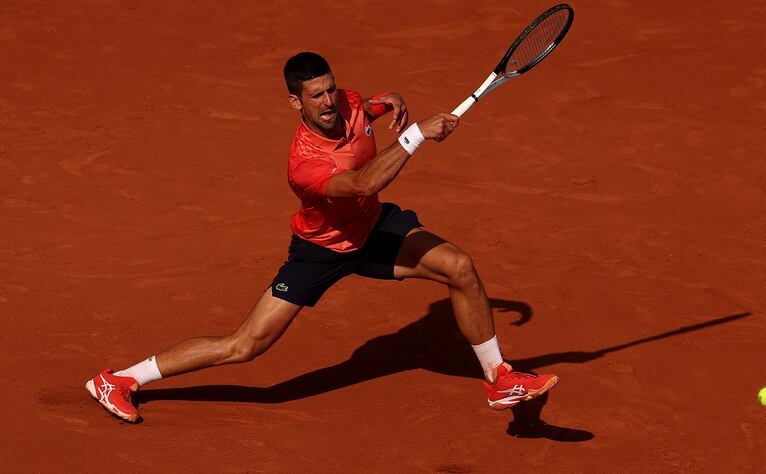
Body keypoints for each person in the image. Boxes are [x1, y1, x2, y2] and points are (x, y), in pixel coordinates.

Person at [85, 52, 558, 423]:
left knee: (458, 264)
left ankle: (499, 378)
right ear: (296, 102)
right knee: (245, 346)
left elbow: (367, 109)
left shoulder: (348, 102)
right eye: (316, 96)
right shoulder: (304, 164)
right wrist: (415, 135)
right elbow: (363, 184)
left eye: (331, 89)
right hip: (321, 249)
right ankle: (121, 379)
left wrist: (388, 101)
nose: (329, 102)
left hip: (373, 229)